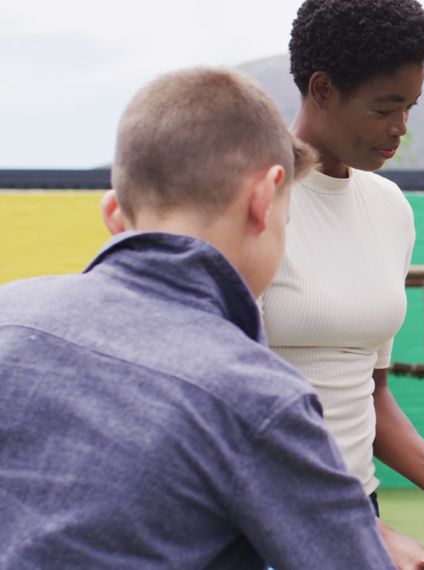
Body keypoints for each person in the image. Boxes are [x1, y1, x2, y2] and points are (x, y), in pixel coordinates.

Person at [0, 68, 394, 569]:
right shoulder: (257, 397)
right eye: (286, 220)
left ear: (115, 214)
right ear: (262, 199)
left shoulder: (9, 316)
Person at [261, 1, 424, 566]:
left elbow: (369, 390)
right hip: (261, 524)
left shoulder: (388, 208)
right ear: (323, 88)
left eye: (410, 106)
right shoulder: (252, 201)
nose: (401, 127)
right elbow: (216, 412)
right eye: (385, 107)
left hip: (357, 510)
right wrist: (358, 536)